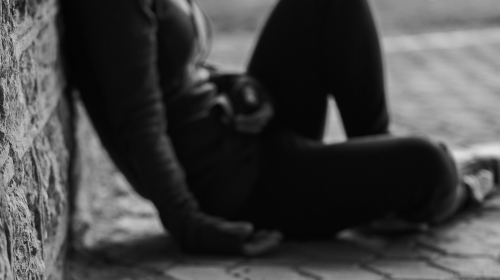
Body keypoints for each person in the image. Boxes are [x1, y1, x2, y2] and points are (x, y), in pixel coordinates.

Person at [61, 0, 500, 256]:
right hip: (239, 188)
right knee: (429, 164)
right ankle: (454, 187)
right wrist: (192, 226)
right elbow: (139, 119)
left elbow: (179, 73)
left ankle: (384, 189)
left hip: (244, 131)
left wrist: (240, 87)